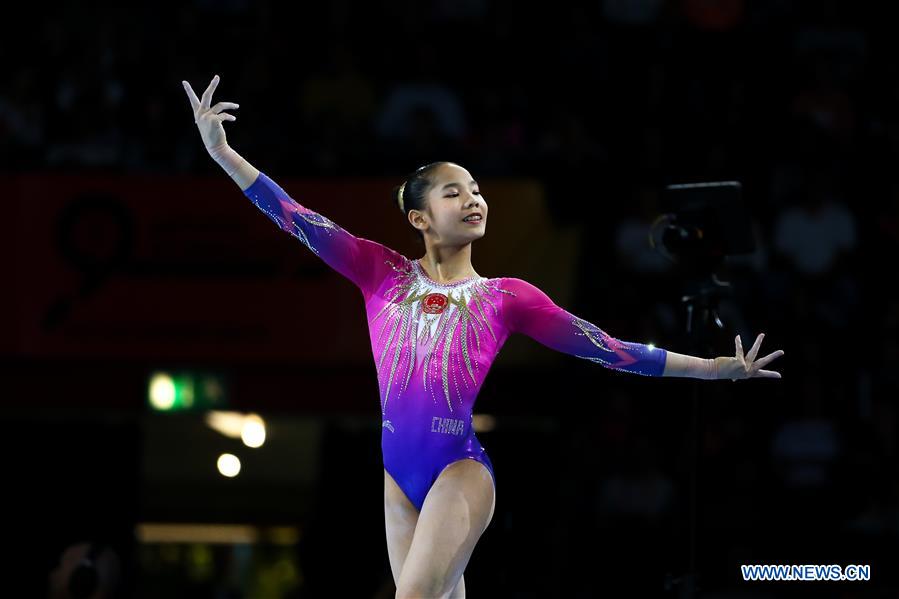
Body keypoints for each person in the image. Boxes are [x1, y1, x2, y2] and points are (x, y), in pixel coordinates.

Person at [182, 74, 785, 598]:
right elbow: (294, 216)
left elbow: (609, 348)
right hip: (398, 475)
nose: (473, 199)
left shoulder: (507, 298)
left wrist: (711, 368)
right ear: (420, 219)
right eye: (454, 192)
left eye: (476, 190)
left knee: (413, 596)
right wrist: (223, 153)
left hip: (459, 470)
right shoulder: (379, 272)